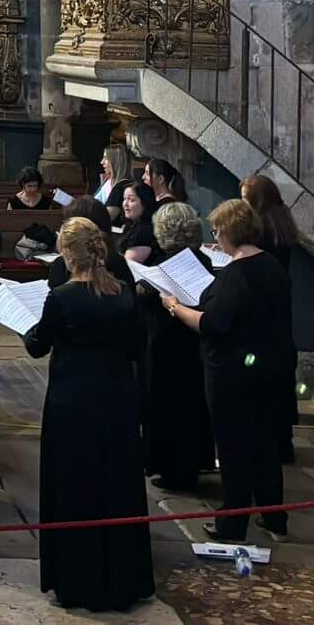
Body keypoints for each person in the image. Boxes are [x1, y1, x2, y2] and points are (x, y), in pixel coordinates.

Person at [24, 218, 153, 612]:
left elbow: (36, 346)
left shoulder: (62, 297)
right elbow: (137, 348)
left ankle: (77, 580)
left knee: (74, 485)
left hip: (73, 404)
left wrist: (28, 329)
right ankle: (122, 579)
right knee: (116, 485)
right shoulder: (124, 294)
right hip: (116, 400)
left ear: (67, 255)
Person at [159, 198, 293, 542]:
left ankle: (231, 523)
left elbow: (211, 323)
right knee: (265, 443)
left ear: (231, 231)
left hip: (232, 372)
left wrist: (174, 307)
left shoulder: (236, 274)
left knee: (234, 447)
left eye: (217, 231)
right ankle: (274, 517)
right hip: (270, 367)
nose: (215, 238)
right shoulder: (271, 265)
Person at [140, 202, 215, 491]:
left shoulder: (164, 265)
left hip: (166, 347)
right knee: (193, 404)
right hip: (195, 345)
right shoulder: (203, 260)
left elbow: (148, 303)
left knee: (167, 407)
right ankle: (194, 463)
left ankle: (172, 469)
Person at [240, 175, 301, 458]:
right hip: (279, 304)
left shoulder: (262, 229)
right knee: (279, 370)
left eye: (244, 198)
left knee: (263, 370)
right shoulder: (281, 220)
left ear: (258, 201)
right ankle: (282, 440)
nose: (242, 203)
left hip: (261, 304)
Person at [119, 181, 159, 264]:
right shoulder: (134, 225)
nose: (125, 204)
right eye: (124, 199)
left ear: (145, 203)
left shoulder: (143, 230)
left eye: (131, 200)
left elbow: (128, 265)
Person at [98, 143, 134, 220]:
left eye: (106, 158)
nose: (102, 162)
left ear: (116, 161)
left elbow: (107, 218)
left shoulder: (122, 187)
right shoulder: (107, 181)